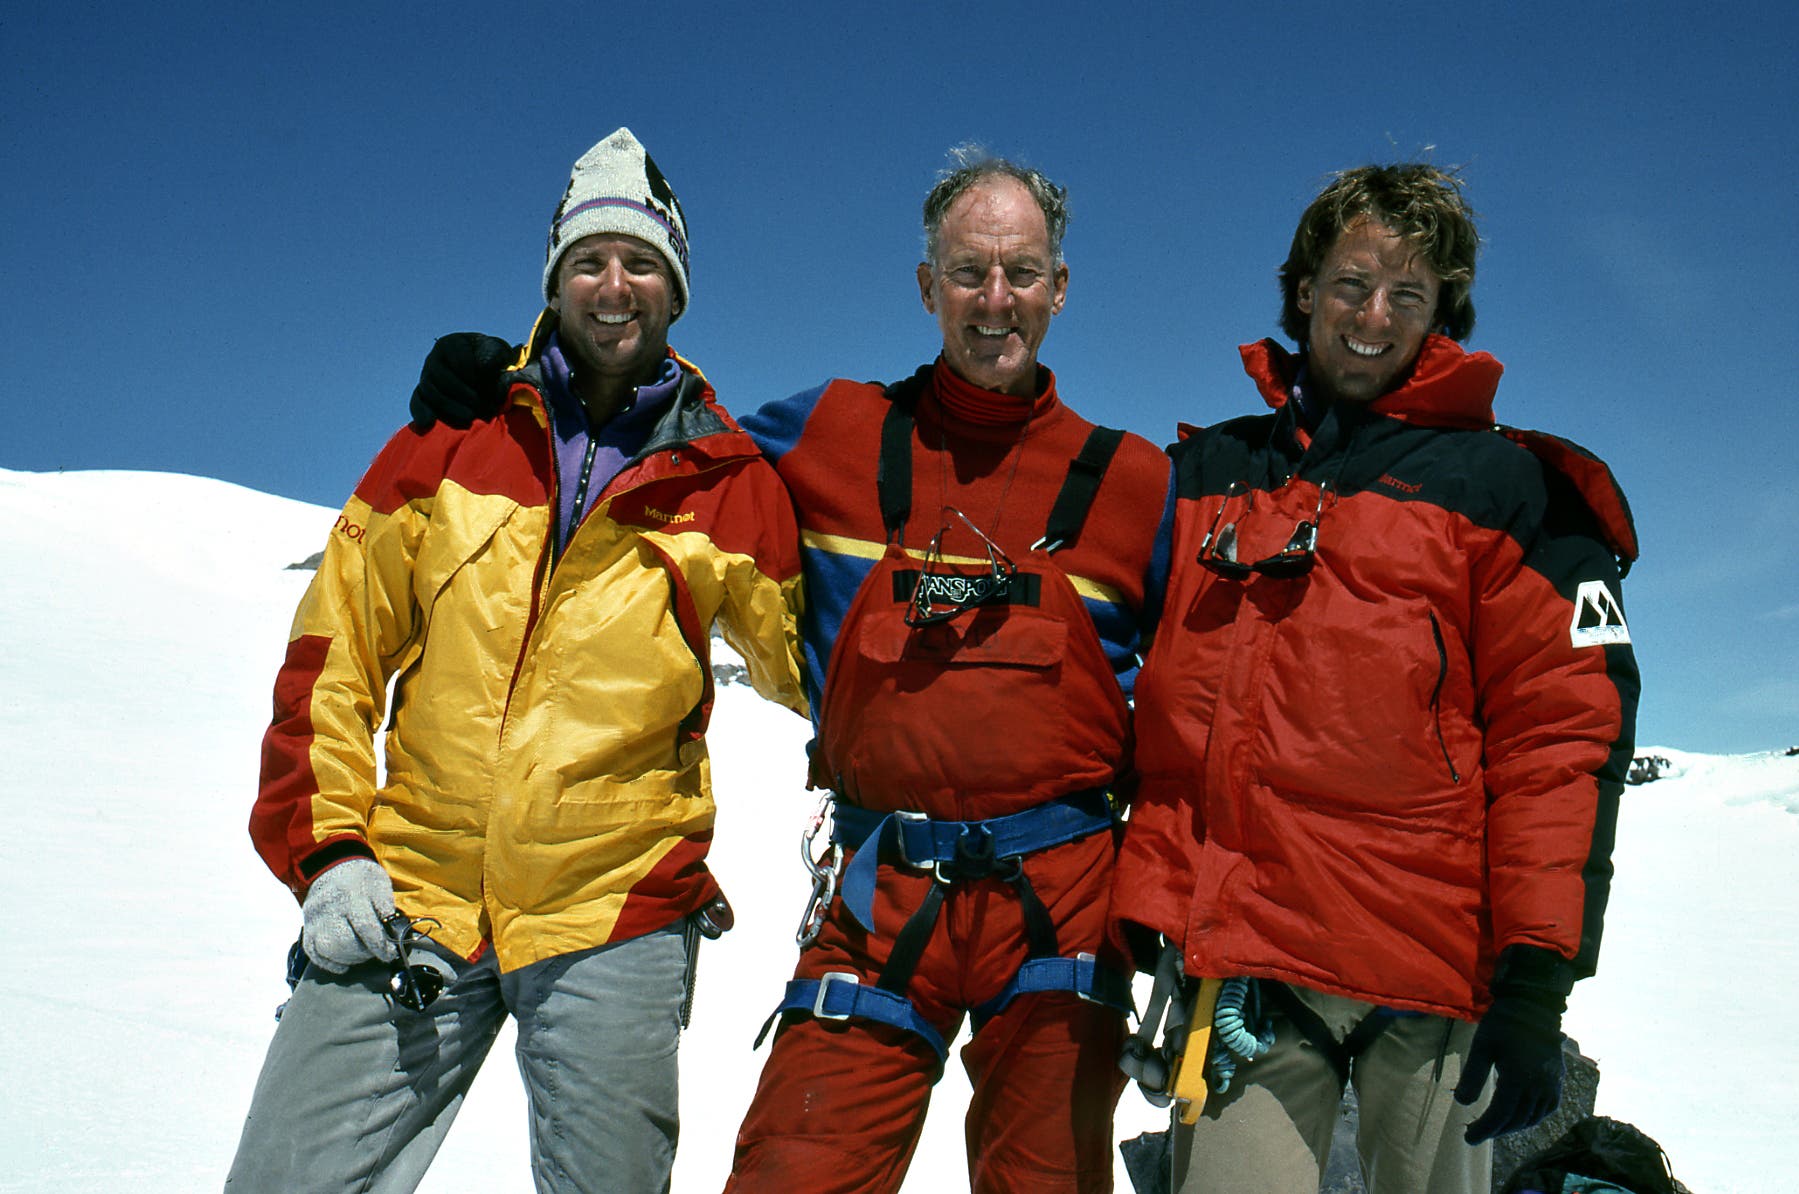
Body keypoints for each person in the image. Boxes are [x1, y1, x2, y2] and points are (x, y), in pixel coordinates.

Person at [409, 147, 1176, 1194]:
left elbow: (1209, 703)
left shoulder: (1139, 487)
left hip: (1067, 904)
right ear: (925, 286)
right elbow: (658, 441)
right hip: (879, 898)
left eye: (1020, 273)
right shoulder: (828, 430)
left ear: (1058, 287)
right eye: (966, 272)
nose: (994, 301)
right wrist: (513, 387)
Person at [227, 127, 807, 1194]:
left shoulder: (725, 480)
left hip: (614, 907)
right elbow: (335, 651)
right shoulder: (449, 436)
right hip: (413, 893)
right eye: (588, 261)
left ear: (675, 289)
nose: (613, 285)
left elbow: (815, 662)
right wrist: (329, 852)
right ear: (555, 278)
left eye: (640, 263)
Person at [1111, 164, 1641, 1194]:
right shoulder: (1205, 476)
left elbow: (1563, 740)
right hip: (1247, 966)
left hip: (1433, 981)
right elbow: (1120, 693)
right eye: (1351, 283)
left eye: (1408, 294)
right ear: (1301, 288)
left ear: (1444, 311)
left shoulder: (1509, 491)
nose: (1373, 316)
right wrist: (1127, 906)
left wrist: (1535, 989)